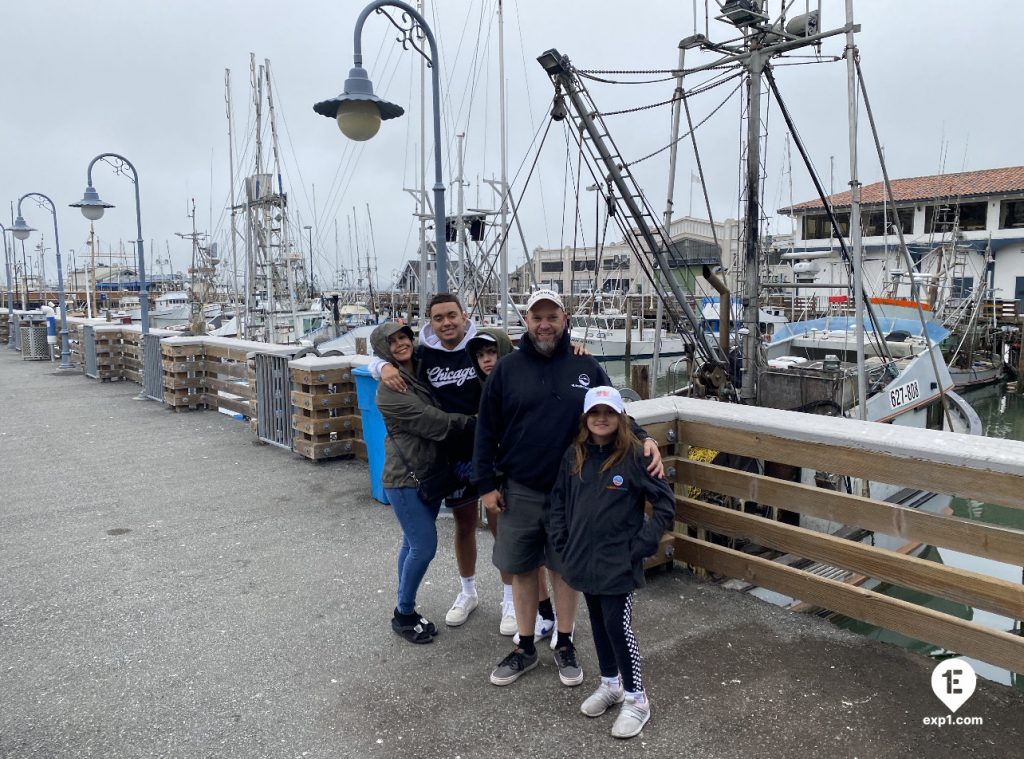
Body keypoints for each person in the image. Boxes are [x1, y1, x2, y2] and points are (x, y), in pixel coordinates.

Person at [473, 288, 664, 688]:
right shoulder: (506, 370)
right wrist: (485, 485)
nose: (545, 324)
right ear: (526, 322)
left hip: (575, 491)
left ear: (565, 319)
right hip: (519, 488)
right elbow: (485, 430)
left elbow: (616, 410)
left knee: (564, 569)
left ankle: (564, 641)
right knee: (523, 568)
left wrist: (645, 437)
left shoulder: (587, 365)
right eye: (537, 317)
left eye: (552, 317)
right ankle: (525, 645)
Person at [548, 386, 675, 739]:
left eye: (609, 412)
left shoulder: (635, 456)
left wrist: (643, 545)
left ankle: (637, 698)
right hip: (582, 559)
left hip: (619, 560)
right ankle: (610, 682)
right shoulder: (573, 455)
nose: (601, 419)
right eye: (594, 413)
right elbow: (559, 501)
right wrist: (562, 540)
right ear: (586, 419)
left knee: (618, 626)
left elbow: (664, 504)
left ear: (620, 417)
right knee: (599, 623)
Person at [371, 295, 485, 629]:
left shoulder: (416, 369)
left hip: (429, 472)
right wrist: (484, 422)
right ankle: (403, 613)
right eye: (391, 343)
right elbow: (435, 422)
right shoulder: (389, 390)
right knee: (424, 546)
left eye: (404, 337)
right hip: (405, 478)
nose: (401, 344)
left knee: (410, 544)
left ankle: (402, 601)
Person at [468, 327, 559, 640]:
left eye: (491, 352)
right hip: (500, 481)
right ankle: (535, 613)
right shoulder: (481, 386)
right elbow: (484, 436)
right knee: (518, 555)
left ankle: (545, 616)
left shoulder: (519, 379)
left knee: (537, 557)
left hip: (526, 479)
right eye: (480, 355)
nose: (486, 360)